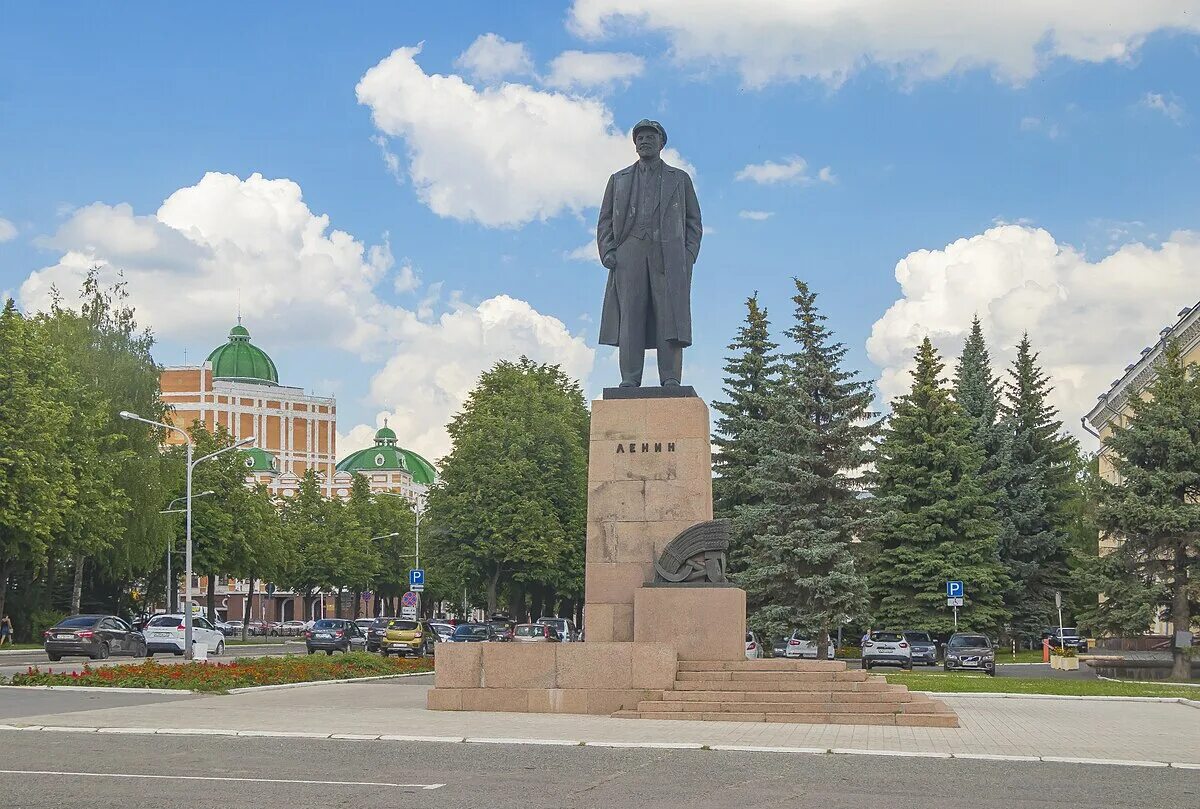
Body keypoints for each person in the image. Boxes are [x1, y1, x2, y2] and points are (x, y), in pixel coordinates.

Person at [596, 118, 702, 388]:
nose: (644, 141)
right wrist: (608, 251)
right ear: (634, 145)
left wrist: (687, 256)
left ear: (661, 143)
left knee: (669, 316)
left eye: (650, 137)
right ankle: (630, 378)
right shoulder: (618, 179)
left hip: (669, 256)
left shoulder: (679, 179)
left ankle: (670, 378)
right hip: (628, 253)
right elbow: (605, 219)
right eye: (640, 138)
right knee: (630, 315)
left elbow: (693, 222)